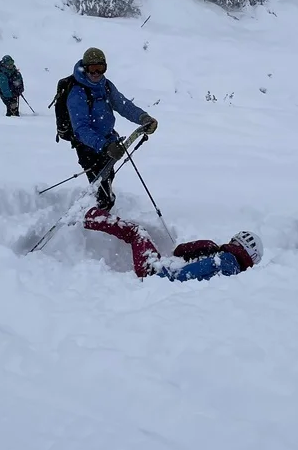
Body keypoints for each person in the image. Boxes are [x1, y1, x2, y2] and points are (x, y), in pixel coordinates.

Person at [53, 48, 158, 211]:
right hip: (88, 146)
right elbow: (81, 129)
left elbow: (123, 105)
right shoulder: (77, 93)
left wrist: (143, 117)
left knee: (107, 178)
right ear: (85, 68)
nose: (96, 73)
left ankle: (100, 212)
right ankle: (95, 218)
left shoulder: (106, 86)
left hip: (108, 141)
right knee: (101, 189)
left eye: (100, 69)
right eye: (92, 69)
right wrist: (104, 146)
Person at [82, 207, 261, 282]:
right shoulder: (236, 275)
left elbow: (182, 256)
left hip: (157, 274)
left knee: (137, 232)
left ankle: (88, 215)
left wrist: (164, 276)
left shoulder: (224, 259)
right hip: (162, 278)